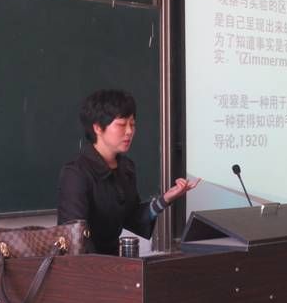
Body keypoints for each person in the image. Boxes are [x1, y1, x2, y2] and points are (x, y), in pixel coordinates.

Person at [57, 89, 200, 255]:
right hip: (85, 265)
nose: (129, 131)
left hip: (114, 260)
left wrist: (165, 199)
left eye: (132, 124)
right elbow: (74, 239)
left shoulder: (125, 167)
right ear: (97, 128)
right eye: (121, 124)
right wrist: (106, 267)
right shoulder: (76, 173)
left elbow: (133, 218)